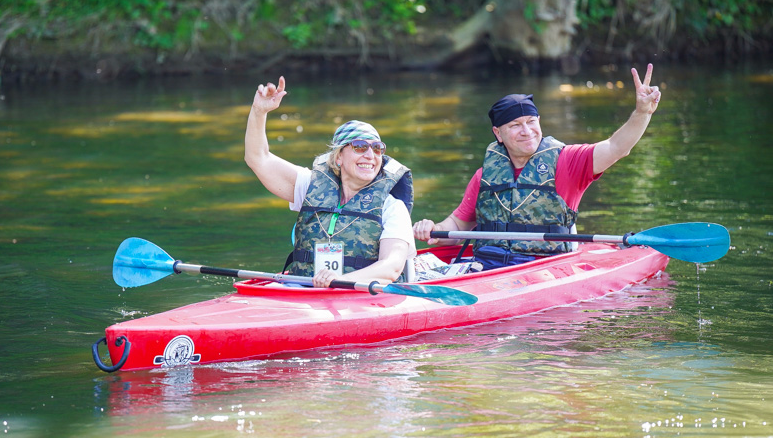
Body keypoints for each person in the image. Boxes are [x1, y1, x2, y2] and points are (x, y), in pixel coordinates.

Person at [413, 63, 662, 267]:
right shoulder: (485, 176)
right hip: (488, 265)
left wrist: (642, 112)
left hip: (544, 265)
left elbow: (617, 147)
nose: (527, 131)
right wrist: (433, 230)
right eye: (515, 125)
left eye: (531, 121)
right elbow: (458, 225)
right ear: (498, 133)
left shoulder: (568, 161)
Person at [245, 76, 416, 288]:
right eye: (360, 146)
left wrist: (338, 281)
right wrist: (259, 111)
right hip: (304, 289)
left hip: (362, 296)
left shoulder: (392, 207)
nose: (371, 155)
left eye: (378, 148)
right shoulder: (310, 186)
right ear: (338, 157)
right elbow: (257, 159)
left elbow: (391, 267)